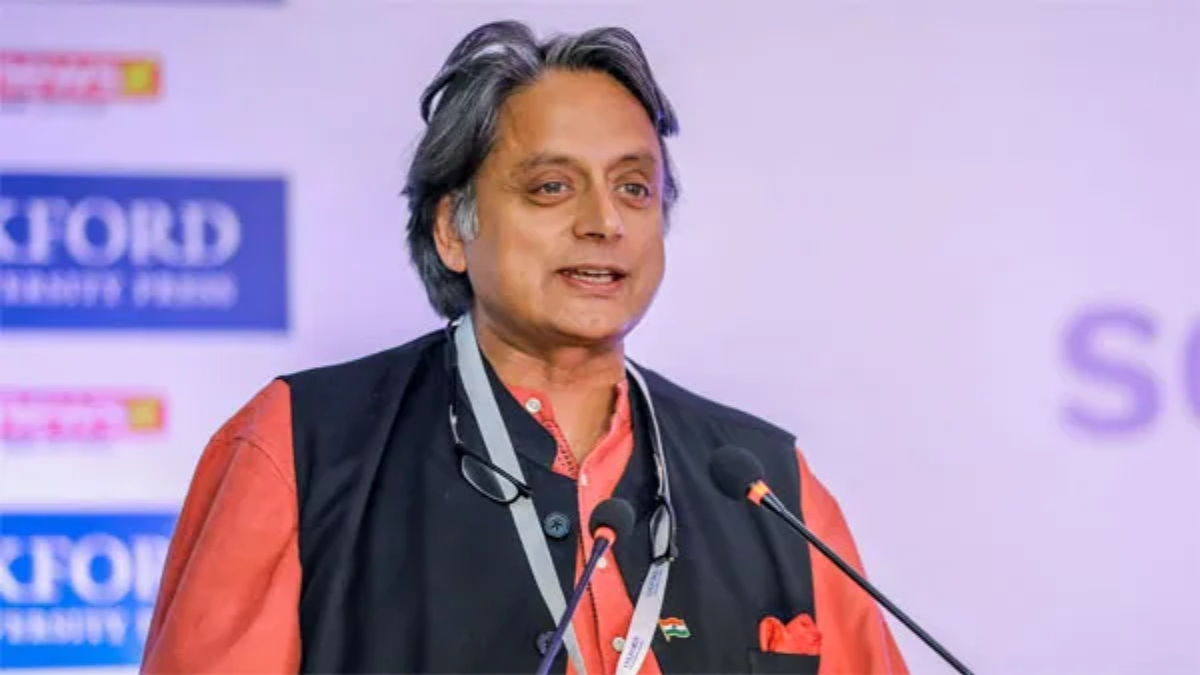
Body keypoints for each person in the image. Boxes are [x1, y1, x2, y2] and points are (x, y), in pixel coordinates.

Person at [141, 19, 908, 675]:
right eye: (552, 187)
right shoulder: (301, 448)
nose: (604, 222)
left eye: (634, 188)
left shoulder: (766, 483)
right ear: (453, 229)